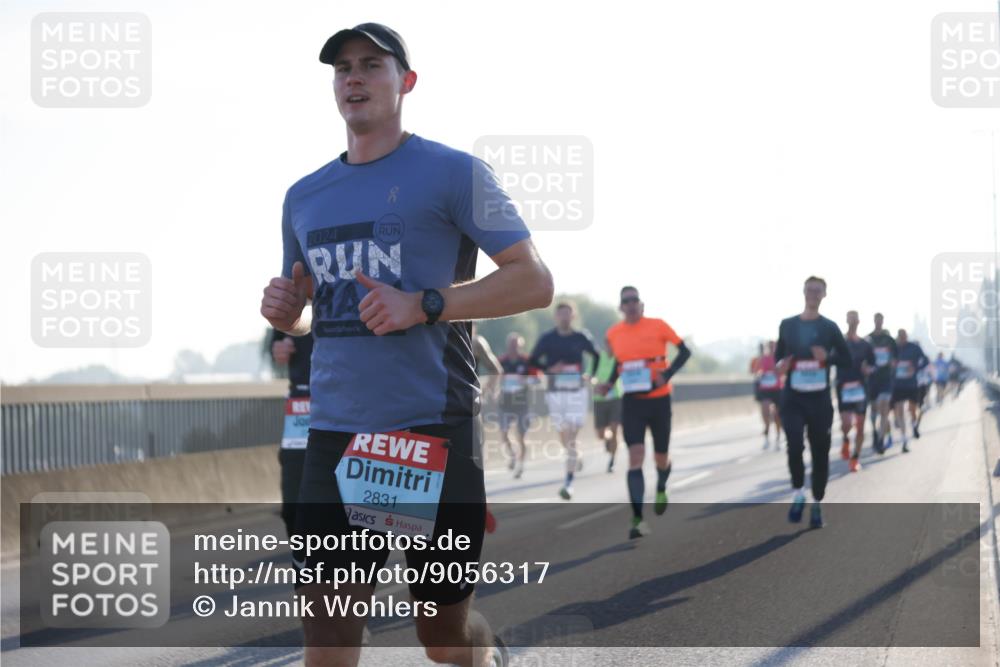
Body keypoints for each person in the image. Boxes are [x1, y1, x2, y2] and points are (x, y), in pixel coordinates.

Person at [259, 23, 553, 667]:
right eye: (343, 68)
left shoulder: (453, 172)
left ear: (407, 82)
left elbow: (533, 280)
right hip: (335, 435)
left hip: (427, 431)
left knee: (442, 639)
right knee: (327, 639)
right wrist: (290, 315)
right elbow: (309, 314)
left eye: (372, 64)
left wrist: (424, 304)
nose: (354, 77)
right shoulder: (304, 196)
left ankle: (487, 652)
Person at [599, 286, 691, 539]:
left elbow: (685, 351)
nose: (630, 304)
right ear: (621, 307)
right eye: (626, 301)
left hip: (659, 401)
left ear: (641, 305)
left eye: (634, 300)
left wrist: (667, 375)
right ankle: (637, 519)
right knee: (635, 456)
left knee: (661, 457)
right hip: (632, 403)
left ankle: (661, 485)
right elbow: (620, 364)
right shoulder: (614, 333)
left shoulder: (658, 325)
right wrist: (608, 383)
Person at [774, 276, 851, 529]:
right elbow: (778, 359)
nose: (813, 294)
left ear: (824, 295)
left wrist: (827, 358)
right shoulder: (787, 325)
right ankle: (798, 493)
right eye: (810, 290)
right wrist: (781, 365)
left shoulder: (829, 327)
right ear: (803, 292)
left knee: (820, 452)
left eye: (818, 291)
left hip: (819, 399)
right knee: (794, 444)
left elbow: (847, 359)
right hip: (793, 397)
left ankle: (817, 502)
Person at [528, 302, 600, 500]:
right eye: (561, 314)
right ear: (556, 317)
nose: (564, 318)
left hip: (576, 392)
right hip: (555, 392)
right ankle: (576, 456)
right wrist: (550, 369)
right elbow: (532, 360)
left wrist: (591, 375)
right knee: (564, 436)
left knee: (570, 434)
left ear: (573, 316)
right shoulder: (547, 338)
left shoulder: (581, 337)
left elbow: (596, 355)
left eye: (568, 314)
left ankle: (568, 483)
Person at [267, 328, 315, 537]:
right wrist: (277, 348)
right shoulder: (298, 305)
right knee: (292, 509)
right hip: (302, 408)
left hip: (351, 405)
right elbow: (276, 341)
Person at [834, 311, 874, 472]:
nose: (852, 322)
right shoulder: (840, 342)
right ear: (846, 321)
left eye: (854, 319)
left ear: (858, 321)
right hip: (843, 387)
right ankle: (845, 439)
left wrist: (868, 369)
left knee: (860, 426)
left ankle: (855, 458)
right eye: (849, 319)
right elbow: (831, 360)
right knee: (846, 424)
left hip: (860, 388)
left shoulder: (865, 344)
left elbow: (873, 364)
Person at [497, 332, 539, 478]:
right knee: (504, 433)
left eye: (516, 345)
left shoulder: (526, 361)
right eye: (511, 345)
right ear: (507, 345)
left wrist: (525, 380)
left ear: (521, 346)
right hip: (505, 402)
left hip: (522, 403)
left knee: (521, 436)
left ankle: (521, 465)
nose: (513, 348)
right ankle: (513, 455)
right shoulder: (501, 361)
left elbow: (537, 379)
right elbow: (495, 377)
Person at [891, 329, 930, 451]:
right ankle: (904, 440)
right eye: (900, 336)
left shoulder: (914, 348)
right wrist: (892, 365)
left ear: (907, 336)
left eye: (904, 336)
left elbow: (925, 361)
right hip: (898, 384)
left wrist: (915, 368)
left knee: (912, 410)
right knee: (900, 411)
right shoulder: (894, 348)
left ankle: (914, 425)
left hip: (911, 384)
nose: (902, 338)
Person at [865, 313, 897, 454]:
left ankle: (880, 439)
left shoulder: (889, 340)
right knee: (874, 411)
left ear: (883, 321)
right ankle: (874, 432)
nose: (878, 322)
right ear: (874, 321)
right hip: (872, 380)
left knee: (884, 409)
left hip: (886, 379)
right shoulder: (868, 339)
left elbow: (895, 359)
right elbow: (863, 359)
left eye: (880, 320)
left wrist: (891, 363)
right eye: (876, 319)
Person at [592, 340, 624, 473]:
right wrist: (594, 383)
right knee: (600, 434)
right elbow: (590, 375)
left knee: (615, 428)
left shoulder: (619, 358)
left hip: (615, 397)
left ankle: (612, 460)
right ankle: (608, 439)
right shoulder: (597, 357)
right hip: (599, 399)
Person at [753, 340, 783, 449]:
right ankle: (766, 435)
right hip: (765, 389)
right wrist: (760, 372)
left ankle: (778, 437)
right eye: (769, 347)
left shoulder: (779, 358)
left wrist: (777, 370)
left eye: (773, 346)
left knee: (777, 416)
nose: (771, 349)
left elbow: (784, 371)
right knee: (765, 412)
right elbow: (754, 371)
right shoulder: (762, 359)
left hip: (777, 389)